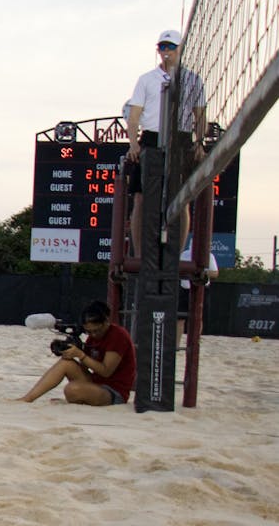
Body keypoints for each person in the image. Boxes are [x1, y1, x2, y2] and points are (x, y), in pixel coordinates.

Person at [125, 29, 208, 258]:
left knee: (182, 200)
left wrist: (199, 143)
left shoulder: (192, 79)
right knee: (140, 198)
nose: (166, 52)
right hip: (151, 138)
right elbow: (134, 117)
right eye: (163, 47)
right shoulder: (146, 79)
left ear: (180, 50)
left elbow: (200, 117)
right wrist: (134, 144)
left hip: (180, 139)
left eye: (171, 47)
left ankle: (176, 256)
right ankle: (140, 255)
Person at [17, 301, 135, 405]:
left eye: (97, 330)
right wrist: (71, 352)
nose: (94, 334)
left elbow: (106, 371)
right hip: (96, 383)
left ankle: (83, 396)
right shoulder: (93, 338)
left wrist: (81, 355)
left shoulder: (118, 335)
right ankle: (28, 398)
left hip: (113, 392)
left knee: (72, 389)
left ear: (106, 322)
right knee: (66, 363)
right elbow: (85, 366)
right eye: (89, 332)